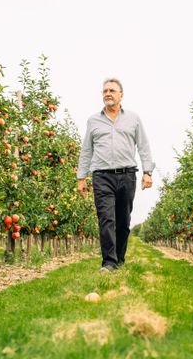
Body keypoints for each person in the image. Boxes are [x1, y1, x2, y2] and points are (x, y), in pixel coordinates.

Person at [77, 78, 155, 272]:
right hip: (102, 176)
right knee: (106, 219)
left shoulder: (133, 119)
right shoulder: (93, 120)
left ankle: (119, 259)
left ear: (121, 95)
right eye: (105, 91)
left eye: (112, 90)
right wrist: (81, 177)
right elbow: (87, 149)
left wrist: (147, 172)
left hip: (127, 175)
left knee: (123, 221)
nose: (107, 93)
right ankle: (109, 262)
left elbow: (143, 146)